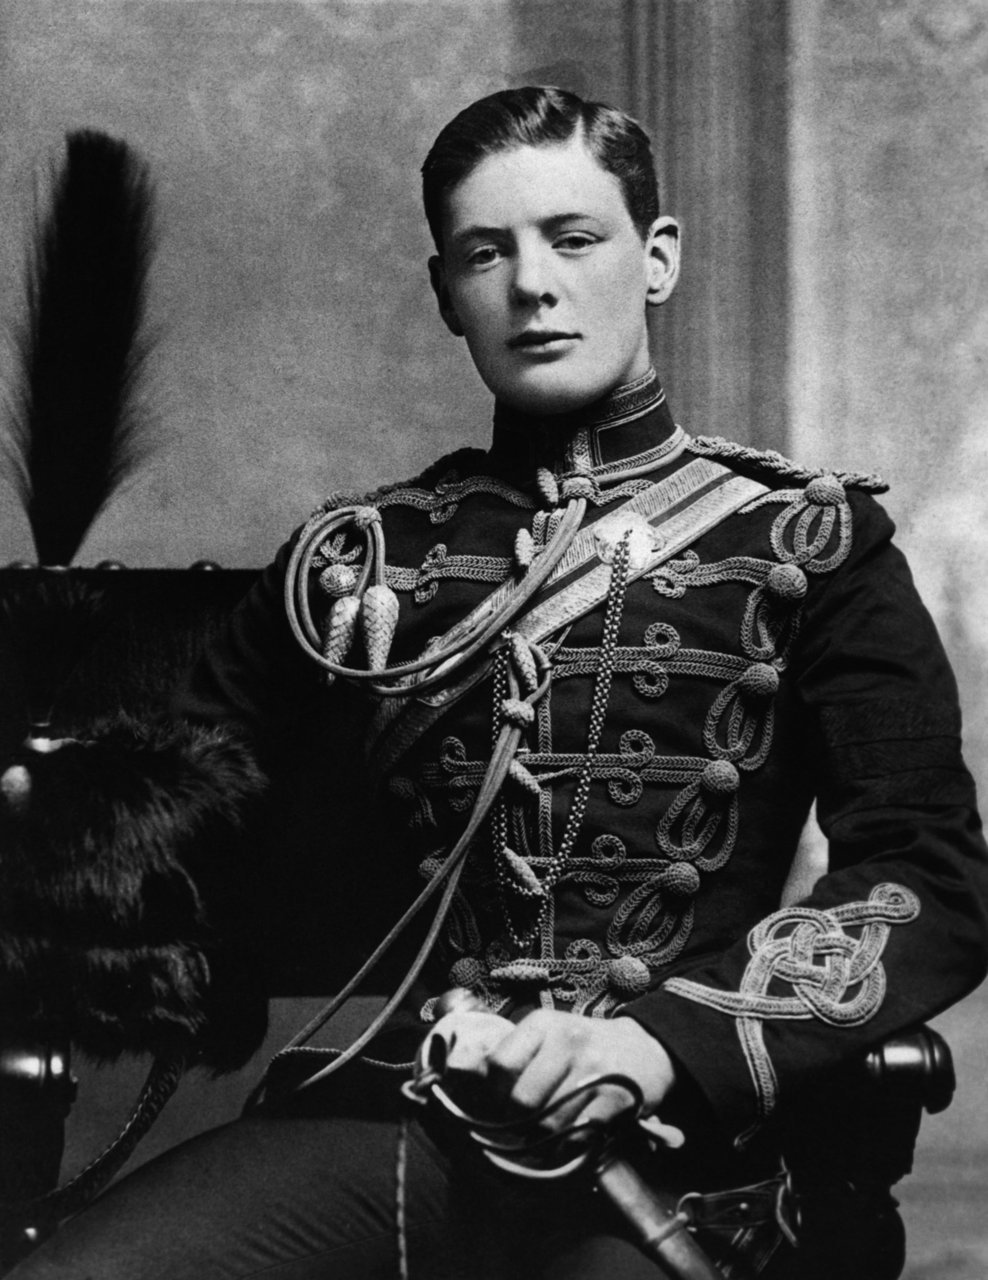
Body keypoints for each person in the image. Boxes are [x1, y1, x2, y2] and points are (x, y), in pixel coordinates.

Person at [7, 85, 988, 1280]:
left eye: (574, 239)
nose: (532, 284)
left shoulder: (805, 544)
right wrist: (55, 789)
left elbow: (928, 874)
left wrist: (665, 1043)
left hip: (672, 1133)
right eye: (488, 251)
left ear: (655, 258)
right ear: (446, 294)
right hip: (403, 1107)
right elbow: (170, 815)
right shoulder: (360, 559)